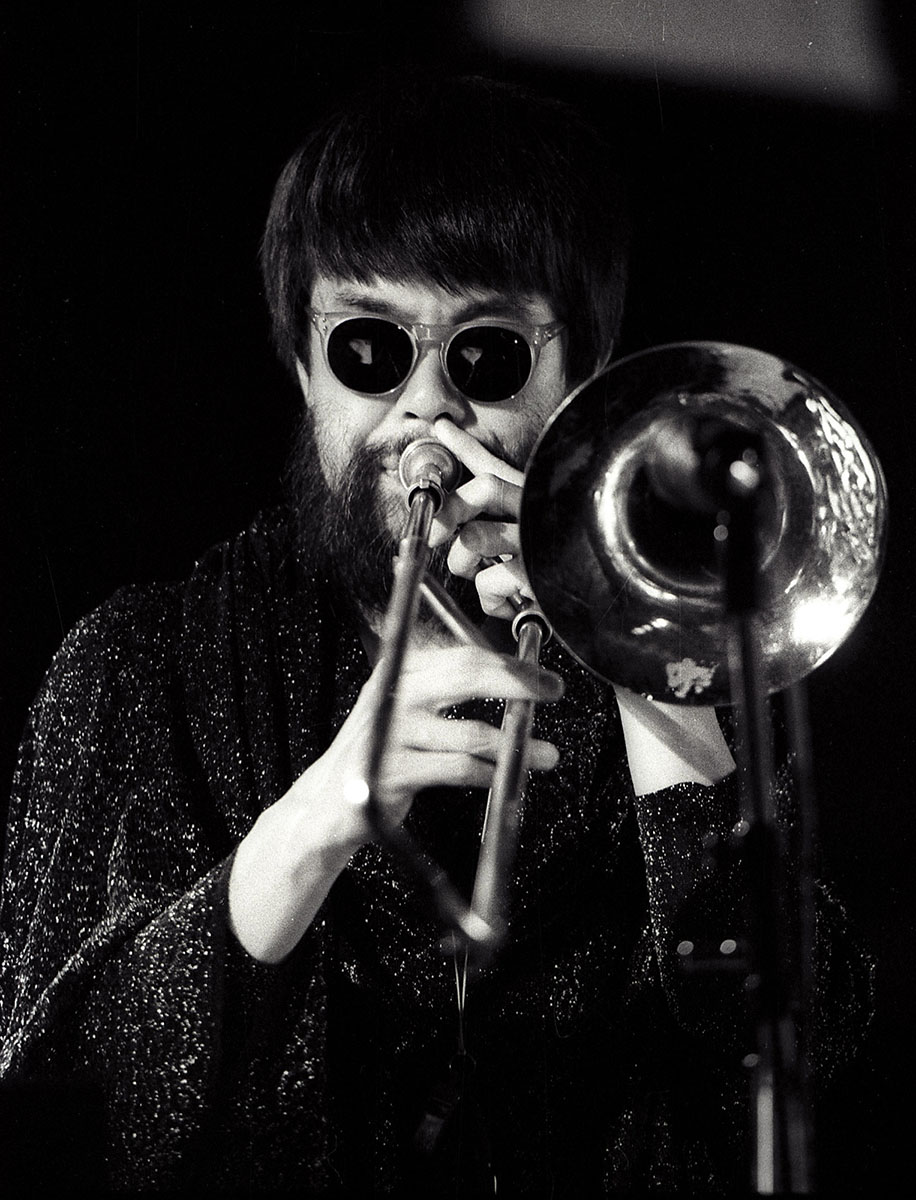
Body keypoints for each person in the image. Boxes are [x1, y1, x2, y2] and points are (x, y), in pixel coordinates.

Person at [0, 74, 873, 1193]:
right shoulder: (135, 666)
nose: (426, 408)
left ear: (582, 378)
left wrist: (646, 668)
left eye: (486, 354)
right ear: (302, 366)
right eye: (369, 349)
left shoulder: (697, 658)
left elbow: (807, 1059)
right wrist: (306, 831)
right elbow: (59, 1117)